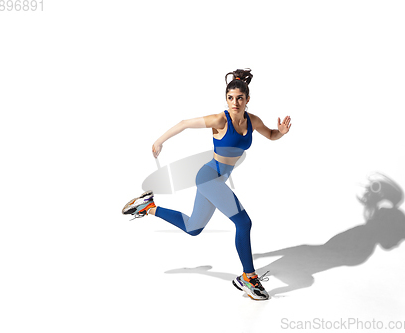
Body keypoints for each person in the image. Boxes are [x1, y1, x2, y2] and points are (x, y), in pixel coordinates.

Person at [121, 69, 292, 300]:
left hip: (216, 180)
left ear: (247, 99)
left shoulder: (253, 121)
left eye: (239, 98)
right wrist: (159, 141)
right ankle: (248, 278)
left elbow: (271, 135)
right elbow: (184, 123)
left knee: (193, 228)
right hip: (208, 177)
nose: (235, 102)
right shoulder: (220, 120)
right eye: (230, 98)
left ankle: (147, 206)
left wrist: (280, 132)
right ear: (226, 99)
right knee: (244, 222)